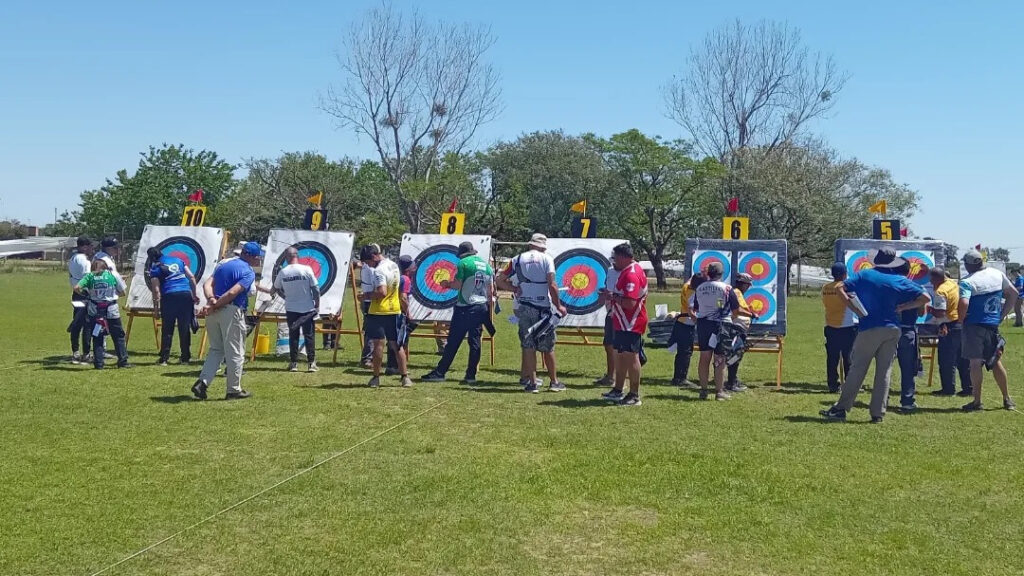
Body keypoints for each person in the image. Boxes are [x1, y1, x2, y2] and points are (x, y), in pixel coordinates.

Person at [820, 249, 929, 423]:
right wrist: (903, 307)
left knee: (858, 368)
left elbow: (840, 287)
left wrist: (853, 307)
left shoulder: (865, 275)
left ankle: (841, 408)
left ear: (876, 260)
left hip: (869, 327)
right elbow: (925, 297)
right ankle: (878, 413)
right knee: (884, 371)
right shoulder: (899, 279)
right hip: (892, 328)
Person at [190, 241, 263, 401]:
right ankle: (233, 390)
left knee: (216, 349)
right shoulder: (248, 272)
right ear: (251, 256)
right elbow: (232, 293)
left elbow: (208, 284)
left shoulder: (224, 265)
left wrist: (211, 301)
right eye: (258, 257)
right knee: (236, 352)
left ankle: (202, 383)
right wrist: (216, 305)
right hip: (231, 311)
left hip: (213, 312)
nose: (259, 260)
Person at [496, 233, 568, 393]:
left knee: (528, 345)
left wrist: (514, 289)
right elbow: (552, 284)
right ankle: (554, 382)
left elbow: (499, 279)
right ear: (542, 247)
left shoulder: (516, 259)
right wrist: (559, 305)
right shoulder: (547, 259)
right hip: (543, 308)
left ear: (530, 244)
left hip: (525, 307)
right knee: (548, 346)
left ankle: (532, 383)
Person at [422, 241, 495, 384]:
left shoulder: (463, 263)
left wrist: (446, 284)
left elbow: (457, 285)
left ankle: (440, 372)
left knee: (453, 341)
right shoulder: (486, 265)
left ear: (462, 254)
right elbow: (490, 290)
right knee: (475, 342)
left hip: (465, 307)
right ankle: (471, 375)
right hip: (481, 307)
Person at [958, 250, 1018, 412]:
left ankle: (977, 401)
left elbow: (964, 303)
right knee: (995, 362)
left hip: (973, 326)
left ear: (968, 265)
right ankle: (1007, 399)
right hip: (992, 325)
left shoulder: (967, 282)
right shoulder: (997, 274)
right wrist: (1002, 315)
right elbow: (1013, 293)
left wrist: (960, 319)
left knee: (975, 363)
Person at [600, 243, 648, 406]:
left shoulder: (632, 274)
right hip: (621, 320)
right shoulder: (626, 271)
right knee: (620, 355)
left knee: (631, 356)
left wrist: (612, 297)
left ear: (623, 257)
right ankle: (618, 389)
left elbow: (630, 303)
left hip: (631, 322)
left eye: (615, 258)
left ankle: (634, 394)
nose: (614, 262)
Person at [360, 244, 411, 388]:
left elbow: (382, 292)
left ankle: (376, 378)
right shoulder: (394, 265)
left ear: (374, 257)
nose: (368, 265)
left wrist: (366, 296)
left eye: (368, 262)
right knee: (397, 345)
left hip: (379, 311)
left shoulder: (378, 270)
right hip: (394, 309)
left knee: (378, 345)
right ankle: (405, 377)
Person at [693, 262, 740, 401]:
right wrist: (731, 318)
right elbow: (736, 310)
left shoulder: (699, 288)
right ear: (721, 274)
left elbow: (696, 307)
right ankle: (719, 392)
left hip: (703, 324)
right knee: (720, 358)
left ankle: (703, 390)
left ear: (708, 273)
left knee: (704, 357)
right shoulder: (727, 288)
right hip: (721, 324)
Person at [148, 246, 200, 366]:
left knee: (167, 328)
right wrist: (194, 294)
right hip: (185, 295)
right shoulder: (178, 260)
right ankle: (185, 358)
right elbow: (191, 277)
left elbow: (156, 290)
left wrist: (156, 309)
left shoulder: (155, 267)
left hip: (169, 296)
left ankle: (164, 359)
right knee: (184, 327)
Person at [74, 259, 130, 369]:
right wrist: (113, 294)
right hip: (111, 309)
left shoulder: (89, 276)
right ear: (105, 267)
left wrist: (87, 295)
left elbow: (76, 288)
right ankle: (123, 361)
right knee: (118, 335)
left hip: (95, 310)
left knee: (97, 335)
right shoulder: (112, 274)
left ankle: (99, 363)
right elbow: (123, 292)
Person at [272, 247, 320, 373]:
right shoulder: (306, 269)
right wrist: (317, 304)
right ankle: (311, 364)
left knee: (293, 336)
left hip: (291, 308)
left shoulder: (283, 272)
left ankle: (294, 364)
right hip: (307, 308)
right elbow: (315, 289)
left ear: (287, 257)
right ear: (297, 255)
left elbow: (275, 288)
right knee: (309, 335)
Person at [926, 266, 971, 396]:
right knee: (963, 359)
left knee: (946, 359)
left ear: (936, 278)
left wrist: (930, 309)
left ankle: (948, 389)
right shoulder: (953, 283)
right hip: (960, 323)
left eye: (931, 280)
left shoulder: (941, 291)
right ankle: (969, 388)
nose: (931, 283)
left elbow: (940, 313)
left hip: (948, 326)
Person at [892, 259, 925, 412]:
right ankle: (907, 400)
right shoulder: (916, 288)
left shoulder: (889, 286)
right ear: (909, 271)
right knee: (907, 368)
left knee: (885, 367)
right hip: (908, 330)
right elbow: (922, 312)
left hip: (890, 330)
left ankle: (882, 399)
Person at [821, 262, 858, 393]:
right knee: (849, 357)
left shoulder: (825, 288)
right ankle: (850, 384)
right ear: (844, 274)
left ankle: (833, 385)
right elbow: (855, 302)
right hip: (847, 326)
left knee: (832, 358)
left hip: (830, 326)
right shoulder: (846, 288)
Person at [669, 273, 703, 388]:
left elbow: (691, 279)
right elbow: (691, 312)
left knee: (681, 353)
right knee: (686, 353)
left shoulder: (686, 286)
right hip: (687, 324)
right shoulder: (692, 294)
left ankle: (677, 377)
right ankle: (681, 379)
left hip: (681, 323)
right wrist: (699, 322)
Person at [724, 273, 756, 393]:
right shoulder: (737, 292)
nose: (748, 288)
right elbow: (737, 309)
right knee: (736, 354)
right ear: (743, 284)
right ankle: (731, 383)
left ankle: (733, 379)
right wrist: (751, 314)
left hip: (739, 328)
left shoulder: (738, 293)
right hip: (736, 328)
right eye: (747, 285)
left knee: (737, 353)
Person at [592, 260, 621, 387]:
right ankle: (610, 376)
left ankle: (619, 378)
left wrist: (613, 296)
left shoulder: (628, 272)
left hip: (622, 315)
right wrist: (603, 294)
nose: (614, 263)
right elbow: (607, 287)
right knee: (609, 345)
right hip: (610, 313)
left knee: (620, 348)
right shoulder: (610, 271)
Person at [68, 236, 94, 364]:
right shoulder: (84, 261)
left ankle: (75, 351)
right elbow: (87, 278)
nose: (91, 248)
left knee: (77, 322)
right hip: (84, 293)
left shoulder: (73, 258)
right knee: (87, 324)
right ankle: (86, 353)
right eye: (90, 246)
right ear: (84, 247)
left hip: (76, 293)